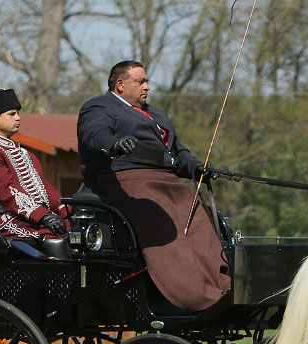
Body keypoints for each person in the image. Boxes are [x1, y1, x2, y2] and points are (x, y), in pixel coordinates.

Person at [77, 60, 230, 311]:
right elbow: (95, 134)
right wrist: (115, 145)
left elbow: (177, 152)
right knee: (162, 220)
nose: (147, 87)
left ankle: (220, 284)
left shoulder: (157, 114)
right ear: (120, 84)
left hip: (169, 184)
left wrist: (196, 166)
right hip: (127, 182)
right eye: (140, 82)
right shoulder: (100, 107)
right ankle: (189, 295)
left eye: (147, 81)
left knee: (200, 221)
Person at [0, 88, 70, 242]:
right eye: (11, 114)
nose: (18, 118)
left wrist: (66, 209)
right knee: (52, 238)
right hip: (2, 220)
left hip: (28, 217)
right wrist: (43, 216)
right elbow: (7, 193)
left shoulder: (25, 153)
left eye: (18, 113)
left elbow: (44, 188)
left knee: (77, 231)